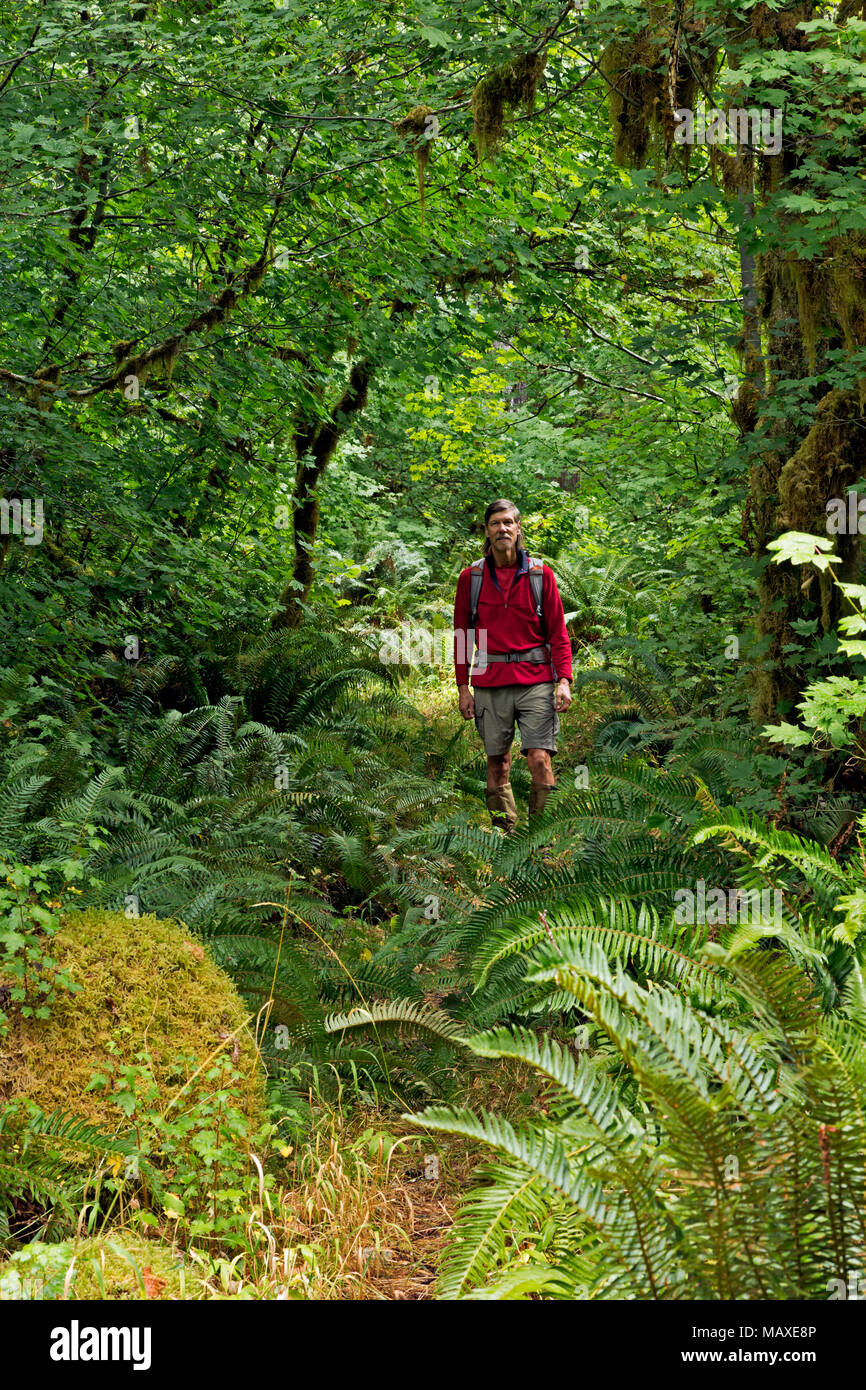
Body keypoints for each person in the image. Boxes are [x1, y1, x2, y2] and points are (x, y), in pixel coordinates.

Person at [453, 498, 573, 832]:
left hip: (536, 680)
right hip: (489, 682)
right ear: (487, 531)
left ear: (518, 529)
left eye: (508, 522)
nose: (502, 528)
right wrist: (463, 687)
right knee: (498, 763)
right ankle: (505, 839)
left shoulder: (539, 575)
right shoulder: (471, 578)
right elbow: (462, 636)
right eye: (495, 523)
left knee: (539, 758)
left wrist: (564, 680)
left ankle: (542, 841)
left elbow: (558, 634)